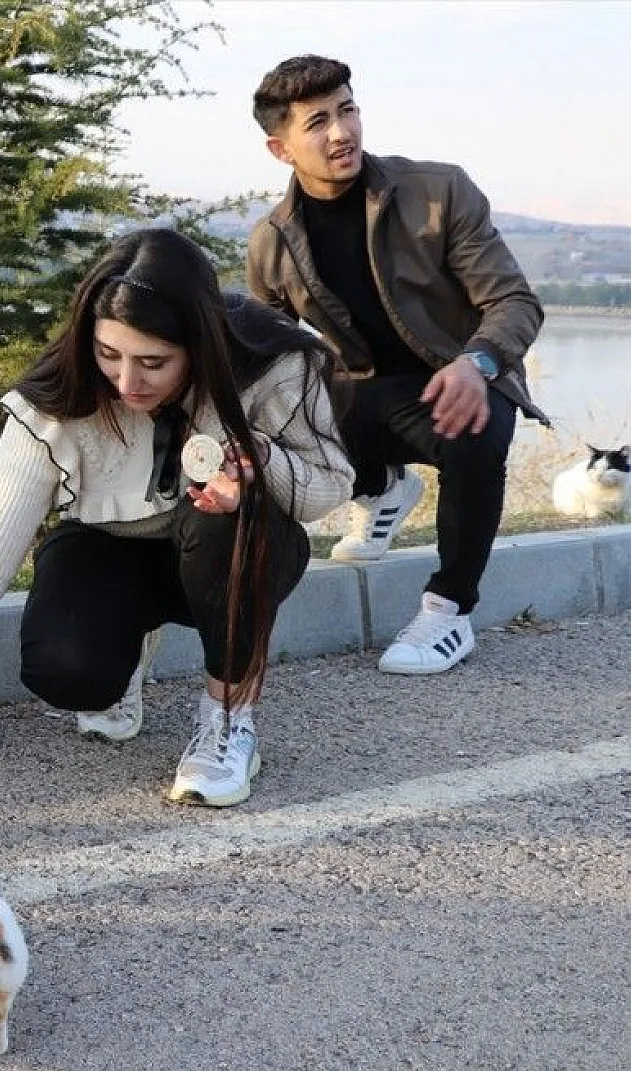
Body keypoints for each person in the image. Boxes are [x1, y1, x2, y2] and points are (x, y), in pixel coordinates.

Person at [0, 228, 353, 820]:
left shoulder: (275, 365)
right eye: (109, 354)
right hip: (111, 545)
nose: (127, 383)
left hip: (232, 545)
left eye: (153, 363)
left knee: (224, 524)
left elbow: (329, 489)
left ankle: (226, 720)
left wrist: (260, 459)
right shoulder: (57, 396)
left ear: (200, 345)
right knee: (64, 673)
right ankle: (126, 653)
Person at [247, 55, 548, 676]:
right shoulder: (272, 242)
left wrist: (477, 362)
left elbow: (514, 301)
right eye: (318, 122)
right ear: (281, 148)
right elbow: (264, 354)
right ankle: (382, 486)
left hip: (460, 382)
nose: (342, 132)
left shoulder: (438, 191)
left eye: (348, 110)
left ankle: (448, 611)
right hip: (364, 392)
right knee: (280, 424)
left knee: (474, 431)